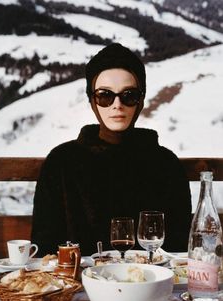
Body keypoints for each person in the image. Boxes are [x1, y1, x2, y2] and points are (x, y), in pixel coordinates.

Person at [31, 43, 192, 256]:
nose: (117, 104)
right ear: (92, 100)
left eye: (129, 95)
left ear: (141, 100)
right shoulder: (61, 163)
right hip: (77, 284)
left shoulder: (166, 165)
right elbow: (43, 248)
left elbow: (179, 250)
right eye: (105, 95)